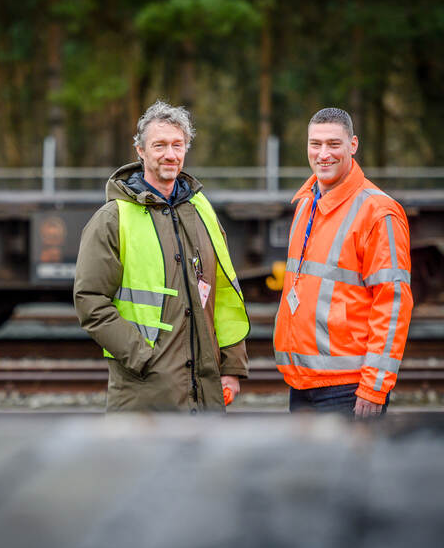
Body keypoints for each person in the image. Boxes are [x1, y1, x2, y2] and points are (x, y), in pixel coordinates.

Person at [73, 100, 250, 412]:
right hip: (144, 394)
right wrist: (143, 358)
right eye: (160, 145)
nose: (170, 154)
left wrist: (232, 367)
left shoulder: (202, 210)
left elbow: (223, 291)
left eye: (177, 145)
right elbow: (90, 300)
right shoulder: (113, 218)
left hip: (204, 394)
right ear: (140, 151)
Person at [273, 107, 413, 418]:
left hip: (347, 389)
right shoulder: (306, 203)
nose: (323, 154)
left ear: (353, 145)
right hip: (302, 383)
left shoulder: (378, 212)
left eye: (333, 144)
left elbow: (393, 304)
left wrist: (374, 386)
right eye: (315, 144)